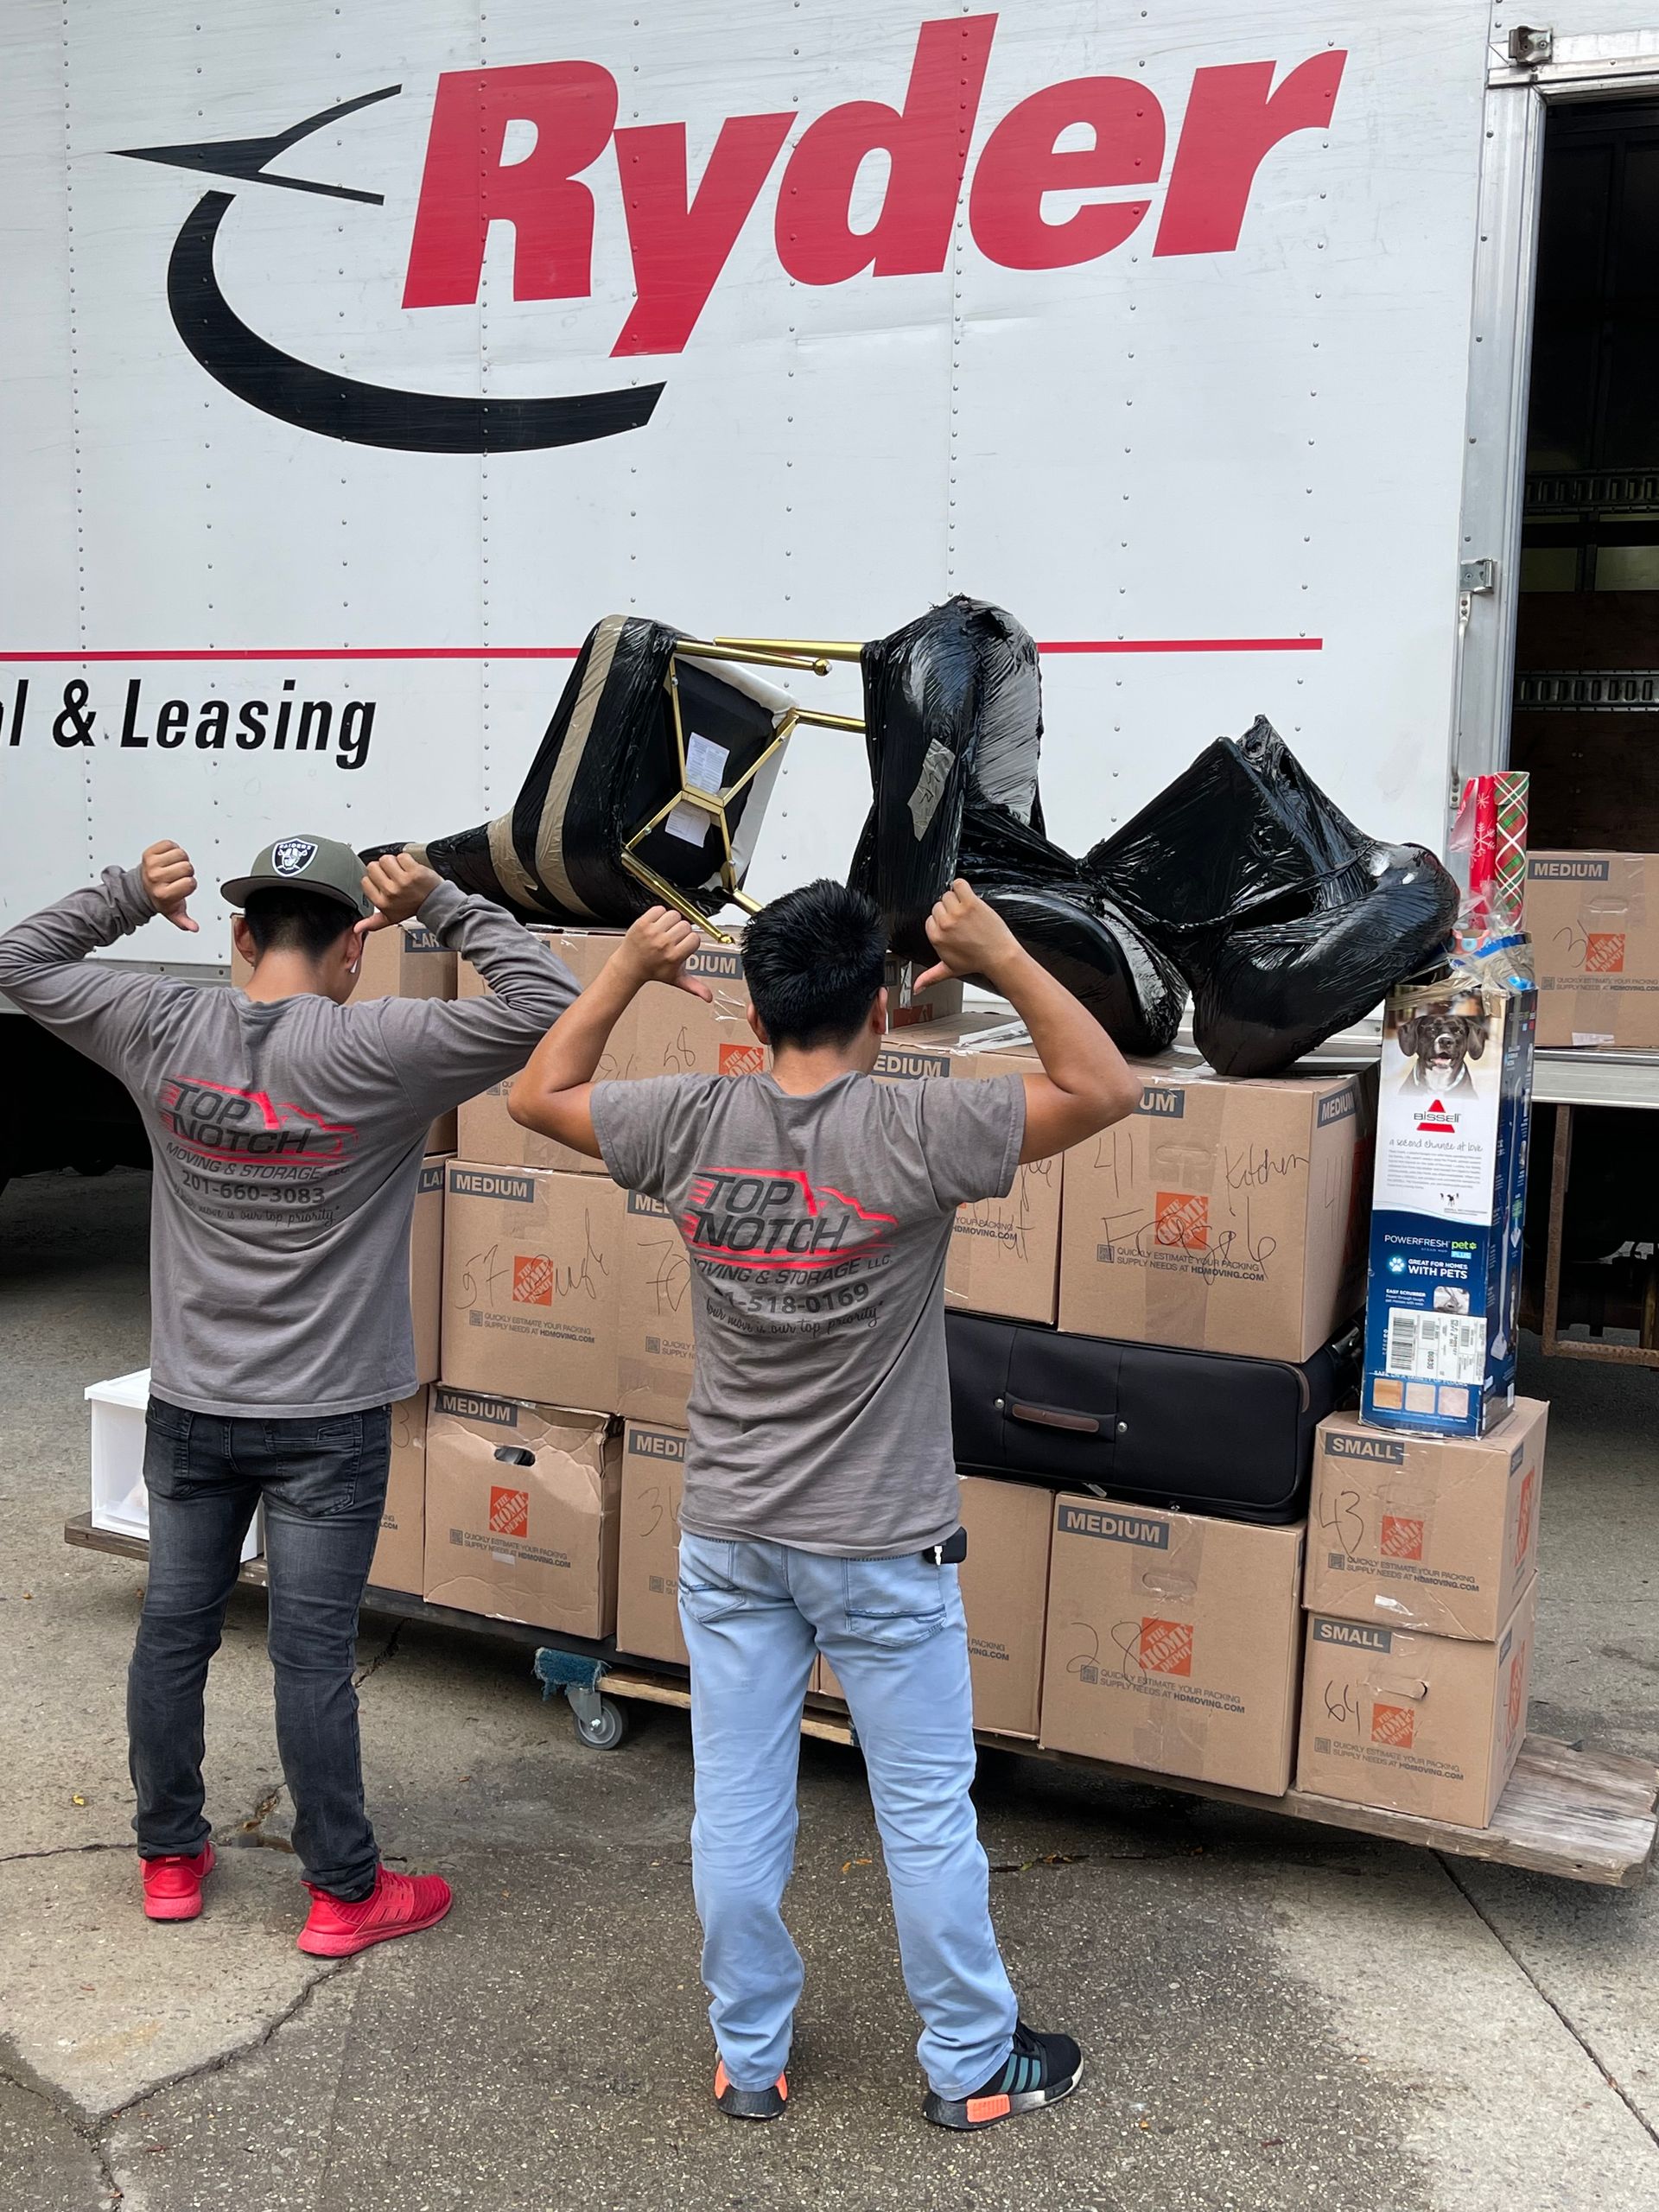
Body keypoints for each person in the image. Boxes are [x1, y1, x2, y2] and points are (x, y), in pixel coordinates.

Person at [506, 875, 1140, 2130]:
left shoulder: (690, 1117)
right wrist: (1001, 952)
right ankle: (971, 2066)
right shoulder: (919, 1127)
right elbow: (1105, 1087)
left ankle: (749, 2061)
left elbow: (536, 1094)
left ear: (753, 1018)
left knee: (737, 1810)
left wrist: (626, 968)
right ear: (884, 1014)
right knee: (924, 1816)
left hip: (732, 1536)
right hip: (881, 1544)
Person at [0, 834, 580, 1953]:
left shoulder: (160, 1023)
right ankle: (342, 1894)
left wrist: (127, 893)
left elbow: (18, 962)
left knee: (174, 1631)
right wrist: (445, 902)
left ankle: (170, 1858)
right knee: (312, 1658)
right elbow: (552, 1002)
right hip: (327, 1418)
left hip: (194, 1404)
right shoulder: (385, 1044)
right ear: (354, 949)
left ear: (238, 937)